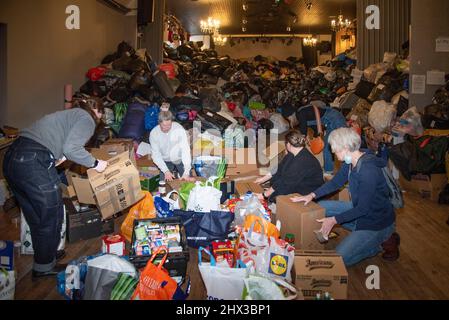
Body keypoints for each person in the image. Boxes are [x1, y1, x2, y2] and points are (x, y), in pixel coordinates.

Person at [2, 98, 108, 279]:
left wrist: (59, 156)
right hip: (32, 161)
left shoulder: (69, 115)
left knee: (36, 215)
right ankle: (44, 267)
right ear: (96, 110)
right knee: (52, 213)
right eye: (101, 114)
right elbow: (72, 148)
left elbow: (60, 145)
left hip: (13, 157)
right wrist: (95, 163)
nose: (100, 118)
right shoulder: (87, 118)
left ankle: (46, 255)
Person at [291, 128, 400, 267]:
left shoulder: (368, 171)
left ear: (346, 148)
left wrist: (334, 220)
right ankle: (362, 237)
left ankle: (379, 243)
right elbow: (336, 182)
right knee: (321, 206)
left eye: (335, 150)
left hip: (375, 222)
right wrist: (311, 195)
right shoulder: (351, 162)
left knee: (337, 260)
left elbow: (363, 209)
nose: (334, 154)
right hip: (361, 211)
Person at [257, 130, 324, 203]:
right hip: (296, 181)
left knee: (275, 196)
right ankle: (273, 192)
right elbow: (280, 168)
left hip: (309, 188)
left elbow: (286, 181)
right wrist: (263, 179)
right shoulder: (293, 153)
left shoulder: (302, 161)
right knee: (275, 180)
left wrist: (264, 195)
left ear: (288, 144)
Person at [296, 101, 347, 174]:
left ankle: (350, 169)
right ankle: (329, 170)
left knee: (345, 144)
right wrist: (312, 140)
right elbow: (316, 129)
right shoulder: (306, 113)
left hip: (336, 119)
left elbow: (303, 132)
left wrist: (299, 145)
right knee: (327, 147)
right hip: (330, 122)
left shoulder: (301, 113)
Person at [150, 111, 193, 182]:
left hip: (179, 158)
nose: (167, 128)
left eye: (169, 125)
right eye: (164, 125)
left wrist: (186, 171)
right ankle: (174, 175)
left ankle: (178, 174)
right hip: (165, 160)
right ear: (159, 122)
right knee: (163, 184)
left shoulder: (178, 128)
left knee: (188, 181)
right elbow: (156, 155)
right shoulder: (154, 134)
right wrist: (165, 171)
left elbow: (185, 150)